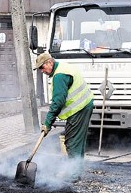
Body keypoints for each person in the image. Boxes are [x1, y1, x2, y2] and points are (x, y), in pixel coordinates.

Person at [34, 52, 94, 181]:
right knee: (77, 141)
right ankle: (75, 171)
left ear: (49, 62)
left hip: (80, 108)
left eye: (42, 67)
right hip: (84, 105)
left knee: (72, 142)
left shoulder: (59, 76)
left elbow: (58, 102)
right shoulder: (61, 68)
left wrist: (48, 123)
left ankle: (74, 174)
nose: (42, 71)